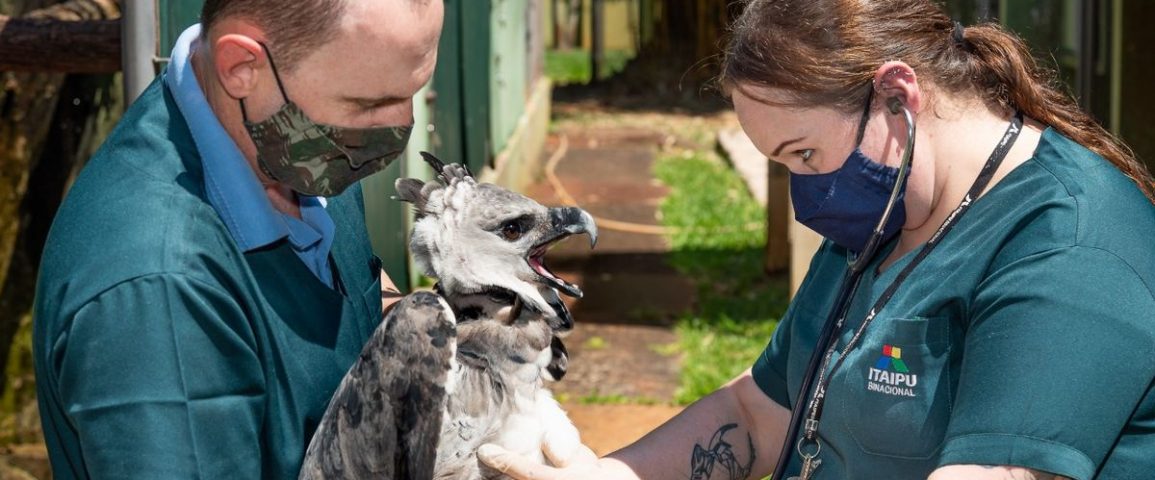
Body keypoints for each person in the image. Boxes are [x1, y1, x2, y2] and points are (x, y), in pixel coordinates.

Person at [478, 0, 1155, 479]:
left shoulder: (1069, 251)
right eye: (784, 165)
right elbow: (759, 411)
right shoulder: (888, 209)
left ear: (897, 96)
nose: (806, 195)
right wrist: (613, 475)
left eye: (804, 154)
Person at [32, 0, 443, 477]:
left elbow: (358, 303)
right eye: (368, 103)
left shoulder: (300, 154)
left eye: (411, 92)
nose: (399, 125)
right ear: (241, 66)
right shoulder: (157, 294)